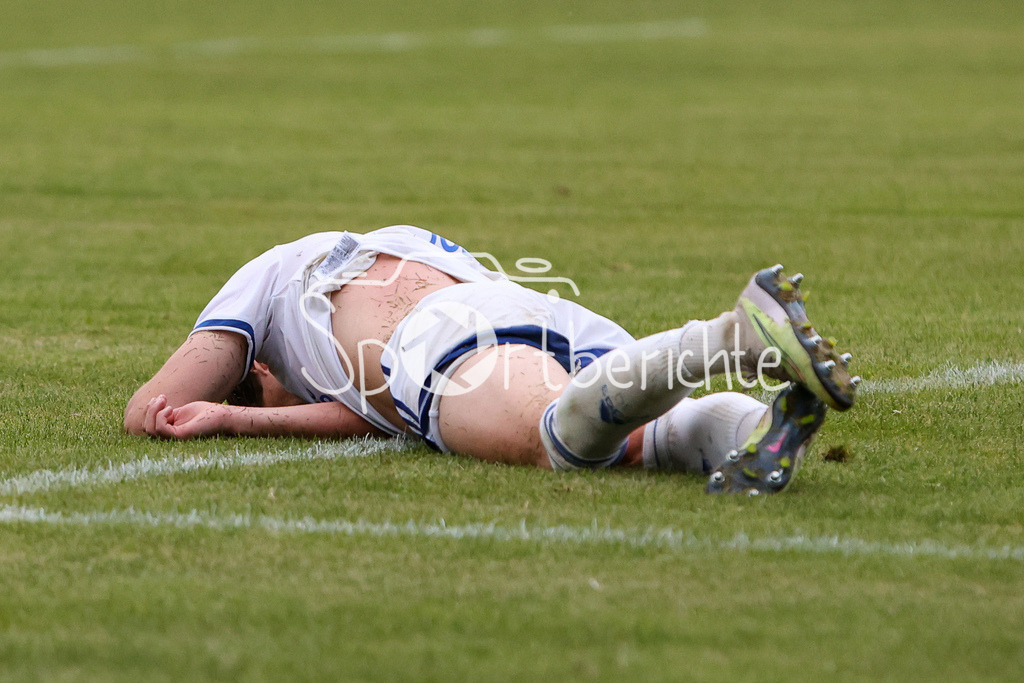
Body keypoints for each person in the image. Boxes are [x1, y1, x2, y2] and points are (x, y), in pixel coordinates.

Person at [124, 225, 858, 495]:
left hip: (434, 343)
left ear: (258, 369)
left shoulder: (268, 281)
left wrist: (216, 410)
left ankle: (732, 339)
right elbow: (360, 417)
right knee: (643, 441)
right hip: (539, 312)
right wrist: (236, 415)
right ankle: (759, 426)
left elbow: (149, 408)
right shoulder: (372, 252)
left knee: (556, 444)